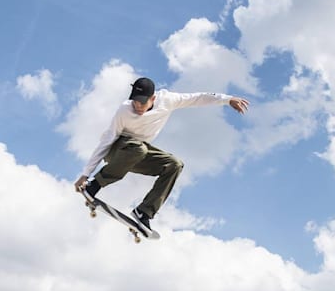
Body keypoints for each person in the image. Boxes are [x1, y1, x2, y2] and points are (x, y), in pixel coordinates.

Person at [75, 76, 249, 232]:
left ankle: (144, 212)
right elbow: (107, 140)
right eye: (135, 102)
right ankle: (95, 185)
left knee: (174, 165)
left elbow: (197, 98)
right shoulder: (124, 110)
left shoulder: (168, 100)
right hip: (117, 151)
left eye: (142, 103)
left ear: (153, 98)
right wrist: (86, 175)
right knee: (139, 149)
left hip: (138, 152)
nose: (137, 106)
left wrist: (227, 100)